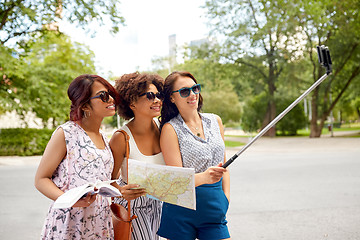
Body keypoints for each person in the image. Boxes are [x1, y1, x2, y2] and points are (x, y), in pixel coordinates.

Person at [34, 74, 119, 239]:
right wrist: (69, 200)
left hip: (99, 221)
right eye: (103, 96)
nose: (110, 100)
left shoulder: (103, 136)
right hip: (70, 221)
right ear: (85, 105)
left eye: (110, 94)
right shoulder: (66, 133)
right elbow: (41, 179)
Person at [157, 71, 231, 240]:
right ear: (172, 98)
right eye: (184, 91)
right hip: (181, 210)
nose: (192, 95)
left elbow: (224, 165)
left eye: (195, 88)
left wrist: (226, 198)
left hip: (214, 207)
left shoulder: (215, 121)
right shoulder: (170, 129)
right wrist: (205, 177)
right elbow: (176, 179)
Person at [109, 72, 165, 240]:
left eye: (158, 95)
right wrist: (121, 191)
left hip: (161, 204)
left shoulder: (164, 128)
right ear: (132, 102)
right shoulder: (121, 137)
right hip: (133, 207)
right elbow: (108, 181)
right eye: (150, 95)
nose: (157, 100)